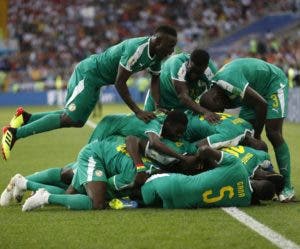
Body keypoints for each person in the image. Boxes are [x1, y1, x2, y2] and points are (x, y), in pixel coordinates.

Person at [1, 25, 178, 160]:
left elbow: (155, 80)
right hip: (89, 74)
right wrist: (138, 111)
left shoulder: (156, 57)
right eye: (170, 46)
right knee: (69, 118)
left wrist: (158, 106)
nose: (171, 51)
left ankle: (25, 117)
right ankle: (14, 133)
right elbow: (120, 82)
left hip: (98, 81)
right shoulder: (137, 49)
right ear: (157, 40)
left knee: (77, 121)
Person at [201, 58, 295, 202]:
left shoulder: (229, 82)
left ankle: (287, 188)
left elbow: (262, 105)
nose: (222, 110)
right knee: (245, 137)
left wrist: (257, 135)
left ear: (216, 98)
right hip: (252, 95)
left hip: (272, 84)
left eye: (220, 109)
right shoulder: (214, 90)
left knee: (273, 133)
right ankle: (265, 175)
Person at [139, 146, 284, 208]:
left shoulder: (238, 166)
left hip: (173, 183)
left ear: (259, 179)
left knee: (144, 180)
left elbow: (204, 149)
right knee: (146, 201)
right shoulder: (244, 201)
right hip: (180, 205)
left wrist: (196, 159)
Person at [143, 49, 219, 123]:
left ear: (205, 68)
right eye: (192, 70)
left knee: (177, 131)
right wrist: (205, 112)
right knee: (146, 124)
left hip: (183, 105)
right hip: (159, 96)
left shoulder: (211, 72)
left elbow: (215, 95)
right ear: (189, 62)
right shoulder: (177, 62)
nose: (193, 75)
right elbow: (183, 96)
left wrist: (211, 110)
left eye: (198, 72)